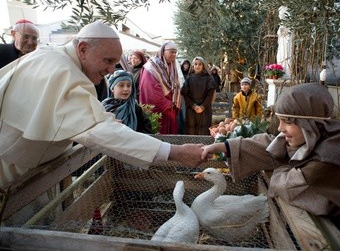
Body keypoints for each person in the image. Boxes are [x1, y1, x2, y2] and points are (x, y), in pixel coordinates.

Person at [0, 21, 204, 187]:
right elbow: (95, 129)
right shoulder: (63, 71)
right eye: (107, 61)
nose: (110, 70)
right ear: (82, 49)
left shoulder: (59, 62)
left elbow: (90, 117)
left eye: (114, 63)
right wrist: (174, 152)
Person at [201, 83, 340, 250]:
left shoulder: (328, 160)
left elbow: (284, 186)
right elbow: (270, 145)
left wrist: (280, 166)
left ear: (308, 124)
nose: (280, 128)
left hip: (337, 239)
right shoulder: (315, 136)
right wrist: (224, 146)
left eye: (287, 121)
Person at [139, 41, 181, 134]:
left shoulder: (172, 66)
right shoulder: (151, 67)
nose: (174, 54)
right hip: (161, 110)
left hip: (170, 107)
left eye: (175, 52)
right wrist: (166, 103)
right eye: (171, 52)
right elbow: (149, 89)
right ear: (163, 51)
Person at [181, 56, 215, 135]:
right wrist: (194, 106)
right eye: (195, 64)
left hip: (205, 109)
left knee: (204, 132)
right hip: (191, 109)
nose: (197, 66)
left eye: (200, 64)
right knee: (191, 133)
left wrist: (202, 106)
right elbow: (185, 95)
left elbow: (210, 95)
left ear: (203, 66)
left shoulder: (209, 79)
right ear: (193, 66)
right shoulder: (189, 79)